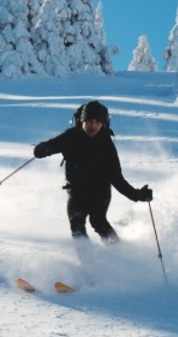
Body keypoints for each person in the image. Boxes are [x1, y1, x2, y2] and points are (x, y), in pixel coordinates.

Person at [33, 100, 153, 245]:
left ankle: (117, 250)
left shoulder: (106, 145)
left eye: (98, 122)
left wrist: (137, 195)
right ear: (82, 121)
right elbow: (51, 146)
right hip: (76, 191)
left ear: (103, 124)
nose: (93, 126)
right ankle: (87, 259)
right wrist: (42, 149)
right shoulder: (70, 136)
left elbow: (116, 178)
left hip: (100, 192)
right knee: (76, 223)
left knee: (97, 220)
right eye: (89, 121)